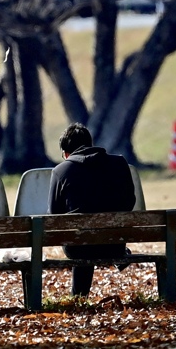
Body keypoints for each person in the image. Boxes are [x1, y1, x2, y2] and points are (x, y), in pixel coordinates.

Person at [48, 122, 136, 299]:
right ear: (90, 144)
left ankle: (79, 297)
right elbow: (130, 201)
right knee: (91, 239)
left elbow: (54, 214)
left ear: (66, 153)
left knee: (81, 240)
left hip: (78, 247)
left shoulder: (61, 170)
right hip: (114, 242)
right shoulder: (119, 163)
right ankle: (118, 255)